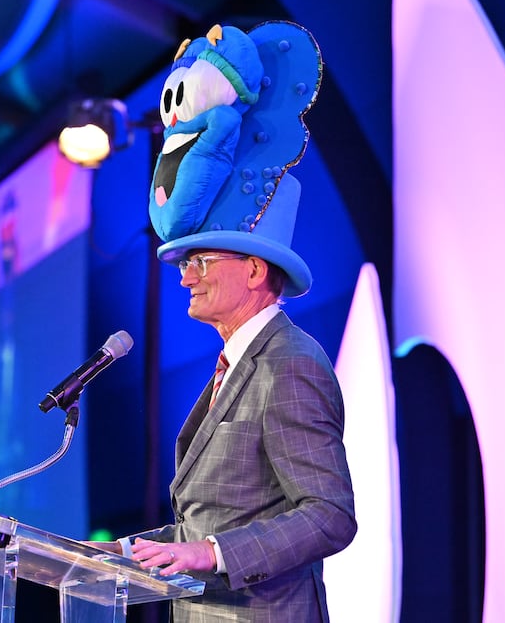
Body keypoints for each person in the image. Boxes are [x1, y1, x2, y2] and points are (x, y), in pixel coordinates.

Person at [115, 239, 357, 622]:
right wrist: (122, 554)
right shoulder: (238, 363)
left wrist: (212, 553)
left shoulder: (289, 363)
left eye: (203, 262)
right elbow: (215, 519)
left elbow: (330, 515)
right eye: (185, 265)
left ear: (255, 270)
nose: (186, 279)